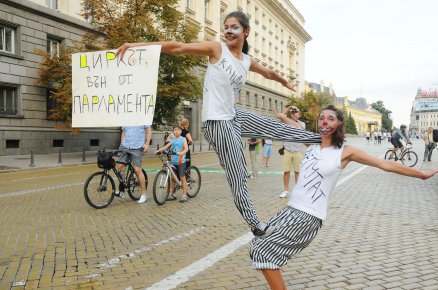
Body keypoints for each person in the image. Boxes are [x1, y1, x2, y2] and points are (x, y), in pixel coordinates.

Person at [117, 11, 321, 237]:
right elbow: (179, 47)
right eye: (226, 27)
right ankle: (255, 224)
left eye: (234, 27)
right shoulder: (217, 49)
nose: (228, 31)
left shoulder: (245, 61)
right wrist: (136, 45)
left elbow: (268, 72)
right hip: (216, 123)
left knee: (273, 126)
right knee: (239, 173)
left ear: (245, 32)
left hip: (233, 116)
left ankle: (321, 138)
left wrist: (285, 82)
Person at [249, 105, 438, 290]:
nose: (324, 121)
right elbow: (294, 125)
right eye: (321, 118)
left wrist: (421, 174)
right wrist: (282, 117)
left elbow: (383, 164)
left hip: (308, 214)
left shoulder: (345, 152)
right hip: (291, 209)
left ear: (339, 123)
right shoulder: (312, 143)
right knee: (263, 244)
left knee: (262, 249)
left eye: (331, 118)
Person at [116, 125, 152, 204]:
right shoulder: (127, 118)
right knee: (120, 168)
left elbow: (149, 130)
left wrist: (147, 144)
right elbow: (124, 132)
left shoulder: (142, 117)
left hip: (137, 147)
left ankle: (144, 194)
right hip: (125, 147)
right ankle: (121, 190)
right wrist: (122, 144)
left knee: (137, 170)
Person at [154, 126, 189, 202]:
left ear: (181, 131)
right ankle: (173, 194)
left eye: (178, 130)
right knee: (172, 178)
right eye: (175, 130)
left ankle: (185, 195)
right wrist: (158, 151)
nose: (176, 131)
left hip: (181, 161)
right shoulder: (172, 140)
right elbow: (165, 147)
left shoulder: (183, 139)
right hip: (173, 161)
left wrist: (181, 153)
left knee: (182, 178)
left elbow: (186, 149)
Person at [279, 106, 305, 198]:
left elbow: (303, 131)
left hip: (298, 151)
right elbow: (281, 116)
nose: (295, 114)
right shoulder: (287, 122)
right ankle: (285, 190)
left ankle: (297, 191)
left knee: (297, 172)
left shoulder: (302, 124)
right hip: (288, 150)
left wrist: (296, 121)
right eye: (293, 113)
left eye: (296, 112)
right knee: (286, 171)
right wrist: (289, 107)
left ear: (299, 115)